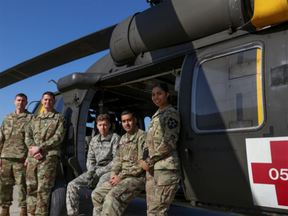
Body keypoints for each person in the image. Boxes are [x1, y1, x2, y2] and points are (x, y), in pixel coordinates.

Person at [92, 110, 146, 216]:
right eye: (124, 121)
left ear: (135, 120)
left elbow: (141, 164)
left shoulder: (142, 137)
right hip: (121, 177)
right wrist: (113, 175)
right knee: (96, 194)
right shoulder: (123, 139)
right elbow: (118, 161)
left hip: (136, 178)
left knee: (111, 198)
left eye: (129, 120)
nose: (126, 123)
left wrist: (120, 176)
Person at [66, 114, 120, 216]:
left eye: (105, 125)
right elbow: (90, 158)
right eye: (100, 125)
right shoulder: (94, 139)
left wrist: (99, 172)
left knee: (98, 192)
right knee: (72, 185)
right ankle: (72, 214)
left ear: (109, 125)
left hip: (108, 171)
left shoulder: (115, 138)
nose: (102, 128)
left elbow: (116, 160)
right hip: (94, 170)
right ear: (97, 125)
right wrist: (91, 171)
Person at [142, 83, 181, 216]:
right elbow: (149, 142)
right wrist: (144, 159)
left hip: (165, 169)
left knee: (157, 211)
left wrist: (149, 161)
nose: (155, 97)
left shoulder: (171, 114)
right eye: (153, 94)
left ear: (167, 94)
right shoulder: (156, 115)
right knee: (151, 210)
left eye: (159, 93)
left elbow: (169, 142)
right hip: (153, 169)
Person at [25, 91, 67, 216]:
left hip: (48, 158)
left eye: (50, 100)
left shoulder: (59, 118)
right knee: (31, 188)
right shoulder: (34, 118)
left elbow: (58, 138)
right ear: (42, 101)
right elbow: (28, 136)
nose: (47, 102)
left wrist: (40, 147)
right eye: (45, 99)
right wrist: (33, 150)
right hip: (33, 157)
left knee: (43, 190)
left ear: (54, 102)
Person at [0, 93, 33, 216]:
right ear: (14, 102)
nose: (20, 103)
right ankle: (5, 209)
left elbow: (33, 139)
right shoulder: (7, 118)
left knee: (23, 185)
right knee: (4, 185)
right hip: (6, 157)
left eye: (23, 101)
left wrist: (29, 157)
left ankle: (24, 209)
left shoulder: (31, 118)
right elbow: (1, 138)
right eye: (18, 100)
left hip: (21, 158)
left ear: (26, 103)